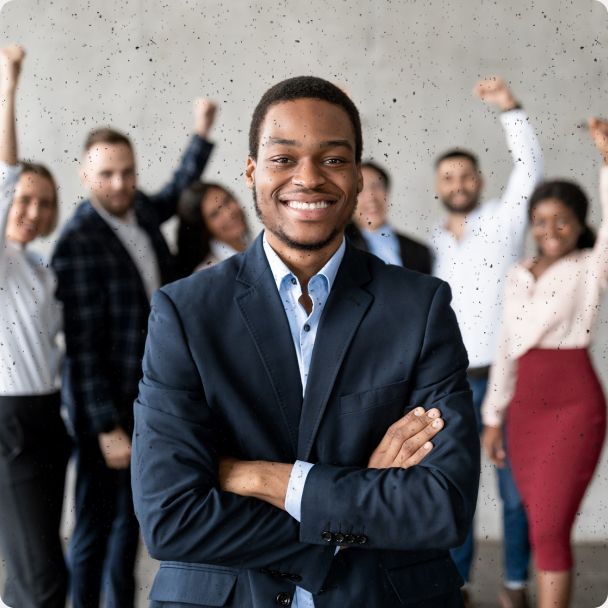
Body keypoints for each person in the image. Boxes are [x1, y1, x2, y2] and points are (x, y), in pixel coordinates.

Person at [132, 75, 480, 608]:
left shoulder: (420, 307)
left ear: (359, 177)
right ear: (251, 171)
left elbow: (441, 506)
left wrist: (259, 477)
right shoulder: (184, 312)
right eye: (283, 159)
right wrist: (355, 499)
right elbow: (171, 519)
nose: (310, 178)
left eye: (334, 159)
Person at [51, 99, 217, 608]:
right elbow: (81, 349)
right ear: (85, 175)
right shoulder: (77, 242)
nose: (120, 184)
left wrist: (201, 134)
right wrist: (106, 428)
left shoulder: (138, 209)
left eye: (127, 172)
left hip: (145, 393)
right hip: (107, 409)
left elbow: (171, 194)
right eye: (107, 175)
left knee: (132, 519)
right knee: (95, 525)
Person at [482, 118, 608, 608]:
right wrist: (493, 418)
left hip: (573, 405)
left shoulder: (588, 268)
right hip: (524, 410)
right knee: (538, 523)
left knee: (552, 527)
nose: (550, 230)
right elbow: (506, 346)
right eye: (541, 220)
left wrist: (606, 163)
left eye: (563, 221)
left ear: (580, 225)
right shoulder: (518, 273)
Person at [432, 76, 543, 608]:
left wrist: (509, 108)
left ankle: (517, 583)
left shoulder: (502, 222)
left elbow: (529, 171)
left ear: (478, 179)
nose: (457, 182)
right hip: (450, 386)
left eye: (464, 174)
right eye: (447, 177)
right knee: (456, 494)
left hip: (505, 382)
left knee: (515, 494)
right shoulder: (429, 246)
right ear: (439, 186)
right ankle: (456, 585)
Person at [0, 45, 71, 608]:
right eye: (24, 198)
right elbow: (5, 173)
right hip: (11, 415)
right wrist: (10, 86)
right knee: (40, 573)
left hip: (48, 413)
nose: (31, 210)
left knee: (43, 557)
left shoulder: (41, 268)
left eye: (43, 202)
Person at [346, 160, 432, 273]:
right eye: (359, 189)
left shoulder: (419, 251)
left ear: (387, 193)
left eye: (377, 186)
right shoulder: (337, 248)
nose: (371, 197)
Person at [176, 181, 251, 276]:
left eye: (227, 201)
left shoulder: (255, 248)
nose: (229, 214)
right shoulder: (207, 275)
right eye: (215, 214)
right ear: (204, 228)